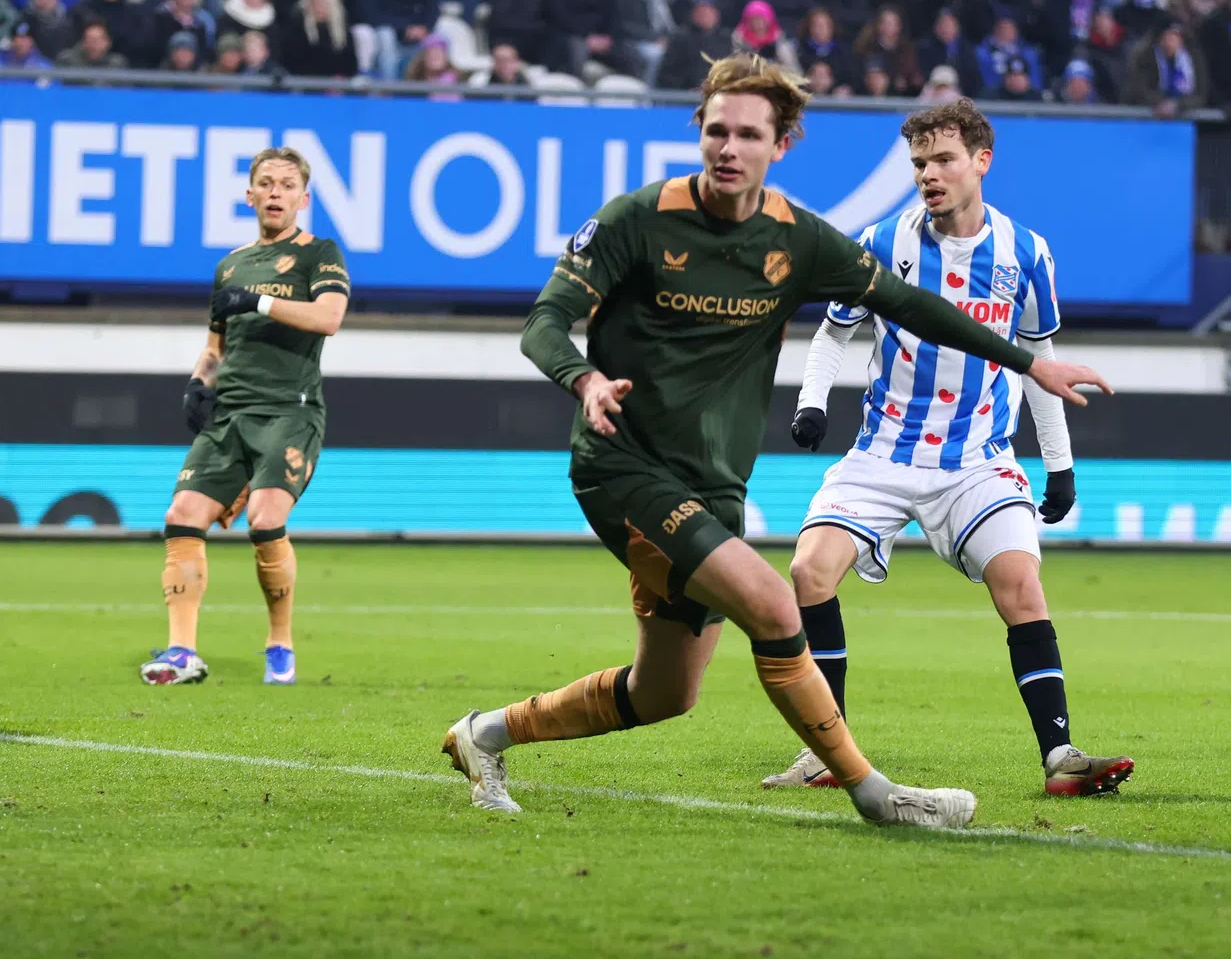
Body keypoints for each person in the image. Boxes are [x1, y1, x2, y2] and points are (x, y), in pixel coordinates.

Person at [439, 53, 1111, 824]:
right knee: (777, 598)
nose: (728, 147)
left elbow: (910, 305)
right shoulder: (636, 219)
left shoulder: (798, 239)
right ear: (699, 132)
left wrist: (1030, 364)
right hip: (623, 467)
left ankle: (484, 733)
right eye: (715, 130)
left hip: (711, 486)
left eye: (748, 134)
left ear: (780, 143)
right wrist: (583, 379)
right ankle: (875, 794)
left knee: (663, 693)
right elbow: (543, 321)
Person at [769, 100, 1133, 798]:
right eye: (917, 164)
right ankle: (826, 749)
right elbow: (832, 331)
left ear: (980, 162)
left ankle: (1059, 757)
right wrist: (811, 404)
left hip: (977, 461)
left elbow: (1038, 358)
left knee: (1020, 586)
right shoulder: (880, 241)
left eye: (941, 160)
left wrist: (1059, 467)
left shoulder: (1026, 251)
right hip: (881, 453)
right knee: (809, 572)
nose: (927, 175)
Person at [144, 147, 350, 687]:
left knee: (264, 517)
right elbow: (214, 344)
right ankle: (182, 652)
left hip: (289, 410)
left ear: (303, 198)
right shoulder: (230, 265)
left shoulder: (318, 253)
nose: (276, 191)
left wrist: (258, 302)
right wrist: (197, 381)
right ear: (250, 195)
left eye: (287, 184)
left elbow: (329, 318)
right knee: (182, 513)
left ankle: (279, 641)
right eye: (266, 182)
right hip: (230, 413)